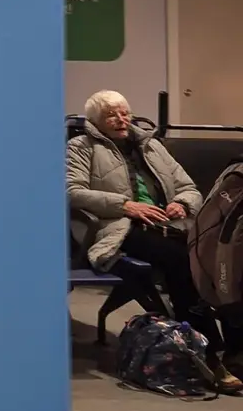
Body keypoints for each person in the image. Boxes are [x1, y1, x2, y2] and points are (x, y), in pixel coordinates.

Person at [67, 89, 240, 390]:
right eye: (111, 115)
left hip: (170, 224)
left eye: (124, 113)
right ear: (95, 121)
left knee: (221, 259)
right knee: (181, 262)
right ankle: (210, 354)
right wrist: (125, 205)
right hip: (119, 226)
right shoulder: (80, 147)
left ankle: (234, 348)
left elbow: (189, 187)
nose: (121, 119)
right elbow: (72, 191)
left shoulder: (151, 146)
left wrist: (182, 204)